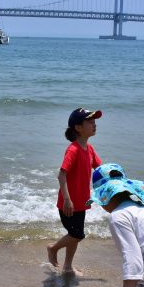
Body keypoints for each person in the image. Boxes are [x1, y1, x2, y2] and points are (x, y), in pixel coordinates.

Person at [46, 108, 103, 276]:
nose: (94, 124)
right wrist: (67, 199)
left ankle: (68, 267)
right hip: (69, 204)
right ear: (78, 127)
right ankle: (53, 248)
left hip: (81, 203)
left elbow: (101, 169)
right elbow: (61, 175)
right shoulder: (73, 150)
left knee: (74, 234)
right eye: (90, 122)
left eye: (94, 121)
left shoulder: (89, 149)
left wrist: (115, 180)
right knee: (77, 235)